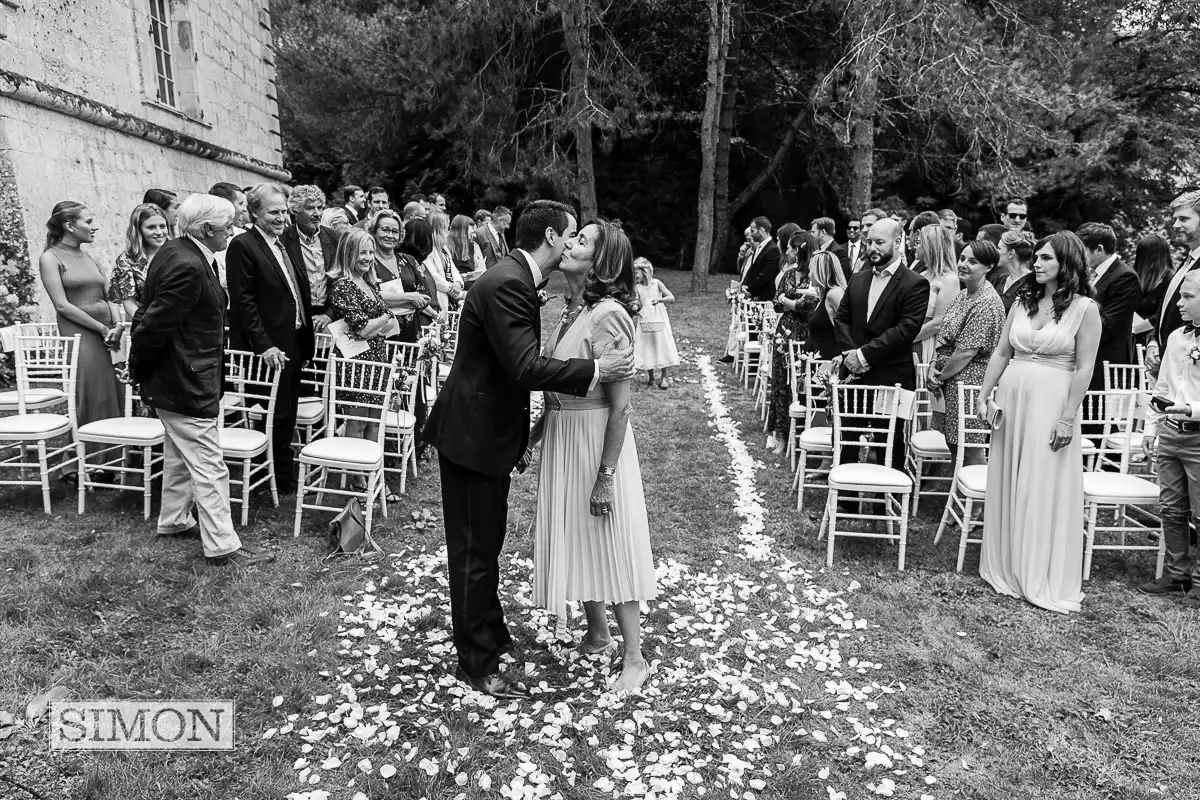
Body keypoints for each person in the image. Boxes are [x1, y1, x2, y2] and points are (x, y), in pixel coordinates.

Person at [423, 200, 635, 700]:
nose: (571, 244)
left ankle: (492, 635)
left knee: (486, 544)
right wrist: (598, 372)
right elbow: (523, 368)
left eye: (582, 240)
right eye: (570, 235)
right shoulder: (508, 283)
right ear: (550, 237)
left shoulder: (520, 280)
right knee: (474, 550)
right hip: (474, 437)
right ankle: (479, 662)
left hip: (491, 435)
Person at [526, 219, 655, 692]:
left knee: (608, 537)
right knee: (578, 533)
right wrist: (536, 436)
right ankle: (597, 633)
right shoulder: (567, 308)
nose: (569, 243)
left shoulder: (610, 315)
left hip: (595, 439)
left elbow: (621, 405)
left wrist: (606, 474)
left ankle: (635, 657)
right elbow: (559, 386)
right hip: (563, 434)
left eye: (581, 240)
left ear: (602, 262)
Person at [129, 194, 273, 568]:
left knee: (179, 454)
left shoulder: (177, 251)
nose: (233, 232)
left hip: (180, 376)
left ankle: (174, 520)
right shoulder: (187, 264)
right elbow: (152, 324)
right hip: (184, 380)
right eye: (228, 226)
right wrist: (138, 370)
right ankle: (223, 545)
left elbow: (151, 314)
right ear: (207, 229)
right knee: (210, 464)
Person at [976, 231, 1100, 614]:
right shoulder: (1022, 300)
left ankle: (1036, 568)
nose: (1038, 264)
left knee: (1038, 482)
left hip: (1051, 403)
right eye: (1038, 258)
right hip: (1012, 402)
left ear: (1067, 263)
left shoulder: (1084, 309)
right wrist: (985, 393)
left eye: (1047, 258)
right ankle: (1006, 564)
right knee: (1009, 479)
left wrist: (1067, 418)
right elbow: (1000, 352)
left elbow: (1085, 367)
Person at [226, 183, 315, 496]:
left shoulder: (281, 243)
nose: (281, 218)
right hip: (270, 346)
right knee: (275, 413)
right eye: (273, 212)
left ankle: (282, 472)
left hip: (293, 339)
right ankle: (276, 478)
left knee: (288, 411)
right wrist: (265, 345)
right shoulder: (243, 246)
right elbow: (244, 302)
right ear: (253, 213)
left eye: (283, 212)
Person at [833, 218, 930, 470]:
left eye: (879, 242)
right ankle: (846, 502)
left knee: (888, 443)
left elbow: (905, 330)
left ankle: (885, 505)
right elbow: (841, 319)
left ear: (897, 242)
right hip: (853, 374)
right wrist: (850, 355)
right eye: (869, 242)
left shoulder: (915, 283)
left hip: (891, 376)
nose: (872, 247)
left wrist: (864, 356)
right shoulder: (858, 279)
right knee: (848, 439)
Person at [39, 202, 123, 478]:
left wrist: (117, 325)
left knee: (116, 390)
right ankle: (87, 460)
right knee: (92, 392)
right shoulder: (50, 258)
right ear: (69, 226)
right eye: (88, 221)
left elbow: (110, 294)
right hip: (81, 336)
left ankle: (116, 455)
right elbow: (62, 305)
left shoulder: (90, 257)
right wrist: (100, 328)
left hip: (108, 333)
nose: (94, 226)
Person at [1140, 270, 1200, 608]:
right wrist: (1151, 428)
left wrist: (1187, 409)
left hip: (1197, 436)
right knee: (1172, 508)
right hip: (1170, 434)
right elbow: (1162, 387)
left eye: (1188, 297)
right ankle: (1178, 575)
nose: (1179, 303)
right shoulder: (1177, 337)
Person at [926, 242, 1006, 467]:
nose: (963, 264)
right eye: (962, 258)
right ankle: (957, 490)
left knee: (970, 446)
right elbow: (943, 335)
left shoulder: (987, 301)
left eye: (972, 261)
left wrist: (939, 378)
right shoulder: (963, 295)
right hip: (949, 378)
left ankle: (977, 500)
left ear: (988, 266)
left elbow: (966, 351)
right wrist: (933, 364)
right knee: (953, 441)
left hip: (970, 381)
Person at [328, 229, 396, 470]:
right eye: (362, 253)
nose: (367, 258)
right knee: (357, 421)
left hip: (377, 358)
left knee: (375, 421)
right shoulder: (343, 286)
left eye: (370, 252)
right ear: (348, 254)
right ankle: (357, 474)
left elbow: (385, 326)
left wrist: (380, 323)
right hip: (357, 361)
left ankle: (372, 471)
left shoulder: (369, 283)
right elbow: (363, 329)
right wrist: (384, 318)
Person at [765, 233, 820, 453]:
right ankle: (780, 435)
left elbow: (810, 306)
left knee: (801, 385)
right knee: (780, 383)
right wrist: (792, 303)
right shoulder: (788, 273)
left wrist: (790, 303)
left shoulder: (816, 277)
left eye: (789, 248)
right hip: (785, 333)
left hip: (806, 334)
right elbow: (776, 303)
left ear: (798, 250)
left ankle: (803, 435)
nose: (786, 252)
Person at [1077, 222, 1140, 391]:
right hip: (1086, 358)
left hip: (1105, 362)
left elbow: (1109, 325)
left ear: (1099, 249)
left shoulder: (1125, 277)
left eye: (1081, 251)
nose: (1078, 257)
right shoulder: (1090, 272)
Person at [1148, 190, 1200, 376]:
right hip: (1169, 362)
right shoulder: (1188, 261)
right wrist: (1154, 342)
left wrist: (1166, 353)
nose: (1175, 225)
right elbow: (1167, 309)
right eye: (1175, 219)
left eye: (1184, 219)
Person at [281, 185, 341, 333]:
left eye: (320, 208)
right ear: (295, 211)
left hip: (329, 316)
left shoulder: (335, 238)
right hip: (296, 317)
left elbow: (344, 279)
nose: (317, 213)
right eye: (309, 208)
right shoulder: (282, 240)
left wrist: (329, 314)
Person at [373, 211, 436, 341]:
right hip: (381, 332)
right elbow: (370, 299)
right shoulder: (368, 262)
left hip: (411, 331)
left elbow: (426, 297)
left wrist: (391, 301)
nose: (390, 235)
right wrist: (410, 297)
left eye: (395, 231)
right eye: (385, 230)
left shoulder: (409, 261)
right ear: (373, 231)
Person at [109, 203, 169, 322]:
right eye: (151, 227)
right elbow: (130, 305)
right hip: (148, 326)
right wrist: (149, 327)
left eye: (162, 226)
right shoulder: (126, 260)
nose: (159, 232)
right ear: (138, 230)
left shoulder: (178, 253)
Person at [912, 224, 960, 366]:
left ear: (930, 246)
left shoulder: (949, 280)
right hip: (912, 340)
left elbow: (939, 323)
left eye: (918, 242)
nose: (915, 246)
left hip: (928, 344)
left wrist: (906, 339)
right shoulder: (921, 275)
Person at [633, 257, 680, 390]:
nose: (634, 276)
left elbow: (671, 297)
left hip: (659, 318)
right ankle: (651, 376)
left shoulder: (657, 283)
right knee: (648, 345)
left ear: (644, 271)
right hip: (645, 320)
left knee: (661, 344)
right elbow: (637, 302)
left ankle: (664, 377)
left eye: (636, 273)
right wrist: (635, 308)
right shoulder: (637, 287)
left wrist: (659, 300)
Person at [1131, 233, 1173, 349]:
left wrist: (1137, 327)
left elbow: (1164, 312)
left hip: (1152, 341)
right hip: (1131, 340)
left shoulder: (1170, 280)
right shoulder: (1134, 278)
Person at [806, 250, 846, 361]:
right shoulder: (826, 294)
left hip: (830, 362)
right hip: (821, 360)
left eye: (811, 271)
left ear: (819, 272)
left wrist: (843, 356)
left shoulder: (834, 294)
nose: (809, 275)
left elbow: (849, 327)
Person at [426, 211, 465, 312]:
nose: (448, 232)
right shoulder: (427, 250)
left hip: (451, 300)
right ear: (437, 230)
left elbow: (454, 270)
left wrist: (458, 283)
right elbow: (432, 276)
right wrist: (454, 291)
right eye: (446, 228)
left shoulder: (444, 249)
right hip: (438, 299)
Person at [741, 216, 781, 302]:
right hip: (753, 295)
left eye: (752, 230)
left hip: (763, 297)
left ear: (762, 230)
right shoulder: (758, 247)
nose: (751, 234)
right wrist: (744, 284)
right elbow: (751, 269)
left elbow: (765, 275)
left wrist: (749, 288)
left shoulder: (773, 249)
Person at [992, 231, 1033, 312]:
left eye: (999, 248)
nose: (995, 252)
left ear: (1011, 253)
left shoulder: (1031, 283)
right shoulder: (1001, 278)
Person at [449, 214, 487, 289]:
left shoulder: (474, 246)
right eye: (472, 228)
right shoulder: (447, 247)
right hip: (454, 288)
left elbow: (482, 269)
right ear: (462, 229)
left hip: (473, 287)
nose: (474, 232)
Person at [810, 217, 848, 285]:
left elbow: (840, 279)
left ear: (822, 232)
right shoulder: (818, 250)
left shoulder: (837, 251)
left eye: (813, 232)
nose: (811, 235)